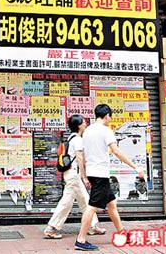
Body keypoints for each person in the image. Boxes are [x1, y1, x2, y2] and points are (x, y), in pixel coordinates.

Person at [75, 104, 145, 251]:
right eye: (110, 116)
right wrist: (135, 166)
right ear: (107, 115)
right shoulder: (105, 131)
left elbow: (83, 154)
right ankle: (80, 239)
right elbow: (116, 151)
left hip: (93, 172)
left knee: (111, 204)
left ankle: (122, 233)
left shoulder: (87, 131)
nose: (110, 119)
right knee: (92, 207)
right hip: (100, 174)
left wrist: (85, 175)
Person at [44, 114, 106, 239]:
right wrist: (84, 177)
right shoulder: (77, 140)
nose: (85, 124)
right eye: (83, 122)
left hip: (71, 174)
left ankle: (93, 226)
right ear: (78, 125)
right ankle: (51, 228)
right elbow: (80, 158)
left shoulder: (71, 138)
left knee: (85, 200)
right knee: (66, 203)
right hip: (74, 175)